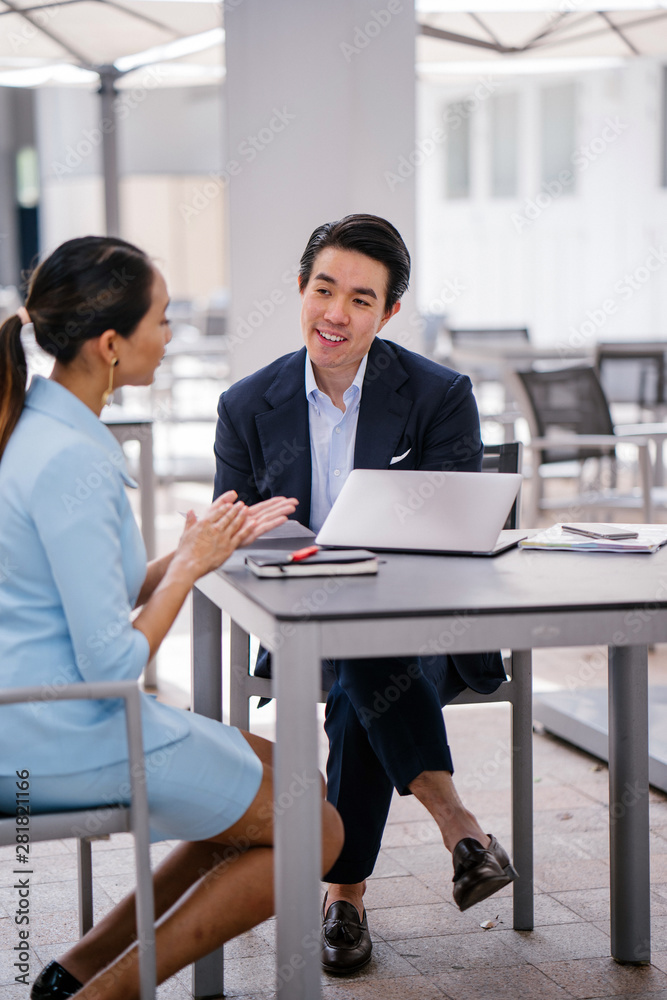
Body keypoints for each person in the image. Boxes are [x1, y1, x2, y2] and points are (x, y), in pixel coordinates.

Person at [0, 235, 344, 1000]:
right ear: (111, 344)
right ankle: (107, 993)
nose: (171, 335)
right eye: (161, 320)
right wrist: (186, 571)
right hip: (56, 733)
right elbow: (111, 669)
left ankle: (78, 970)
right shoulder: (71, 461)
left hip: (38, 715)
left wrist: (193, 550)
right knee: (315, 827)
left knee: (293, 774)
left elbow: (88, 597)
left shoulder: (40, 430)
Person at [213, 213, 518, 975]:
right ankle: (460, 828)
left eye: (359, 299)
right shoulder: (247, 406)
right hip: (303, 625)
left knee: (364, 668)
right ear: (300, 289)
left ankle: (343, 894)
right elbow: (234, 531)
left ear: (387, 313)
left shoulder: (438, 395)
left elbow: (455, 531)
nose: (335, 314)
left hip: (426, 631)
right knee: (357, 657)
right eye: (323, 290)